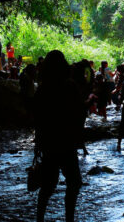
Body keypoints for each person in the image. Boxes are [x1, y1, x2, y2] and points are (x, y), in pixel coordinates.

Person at [33, 50, 85, 222]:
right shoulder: (70, 86)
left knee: (47, 185)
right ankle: (69, 218)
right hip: (67, 141)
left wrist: (38, 143)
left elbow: (37, 118)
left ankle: (39, 218)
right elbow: (79, 113)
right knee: (74, 182)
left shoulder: (42, 89)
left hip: (49, 142)